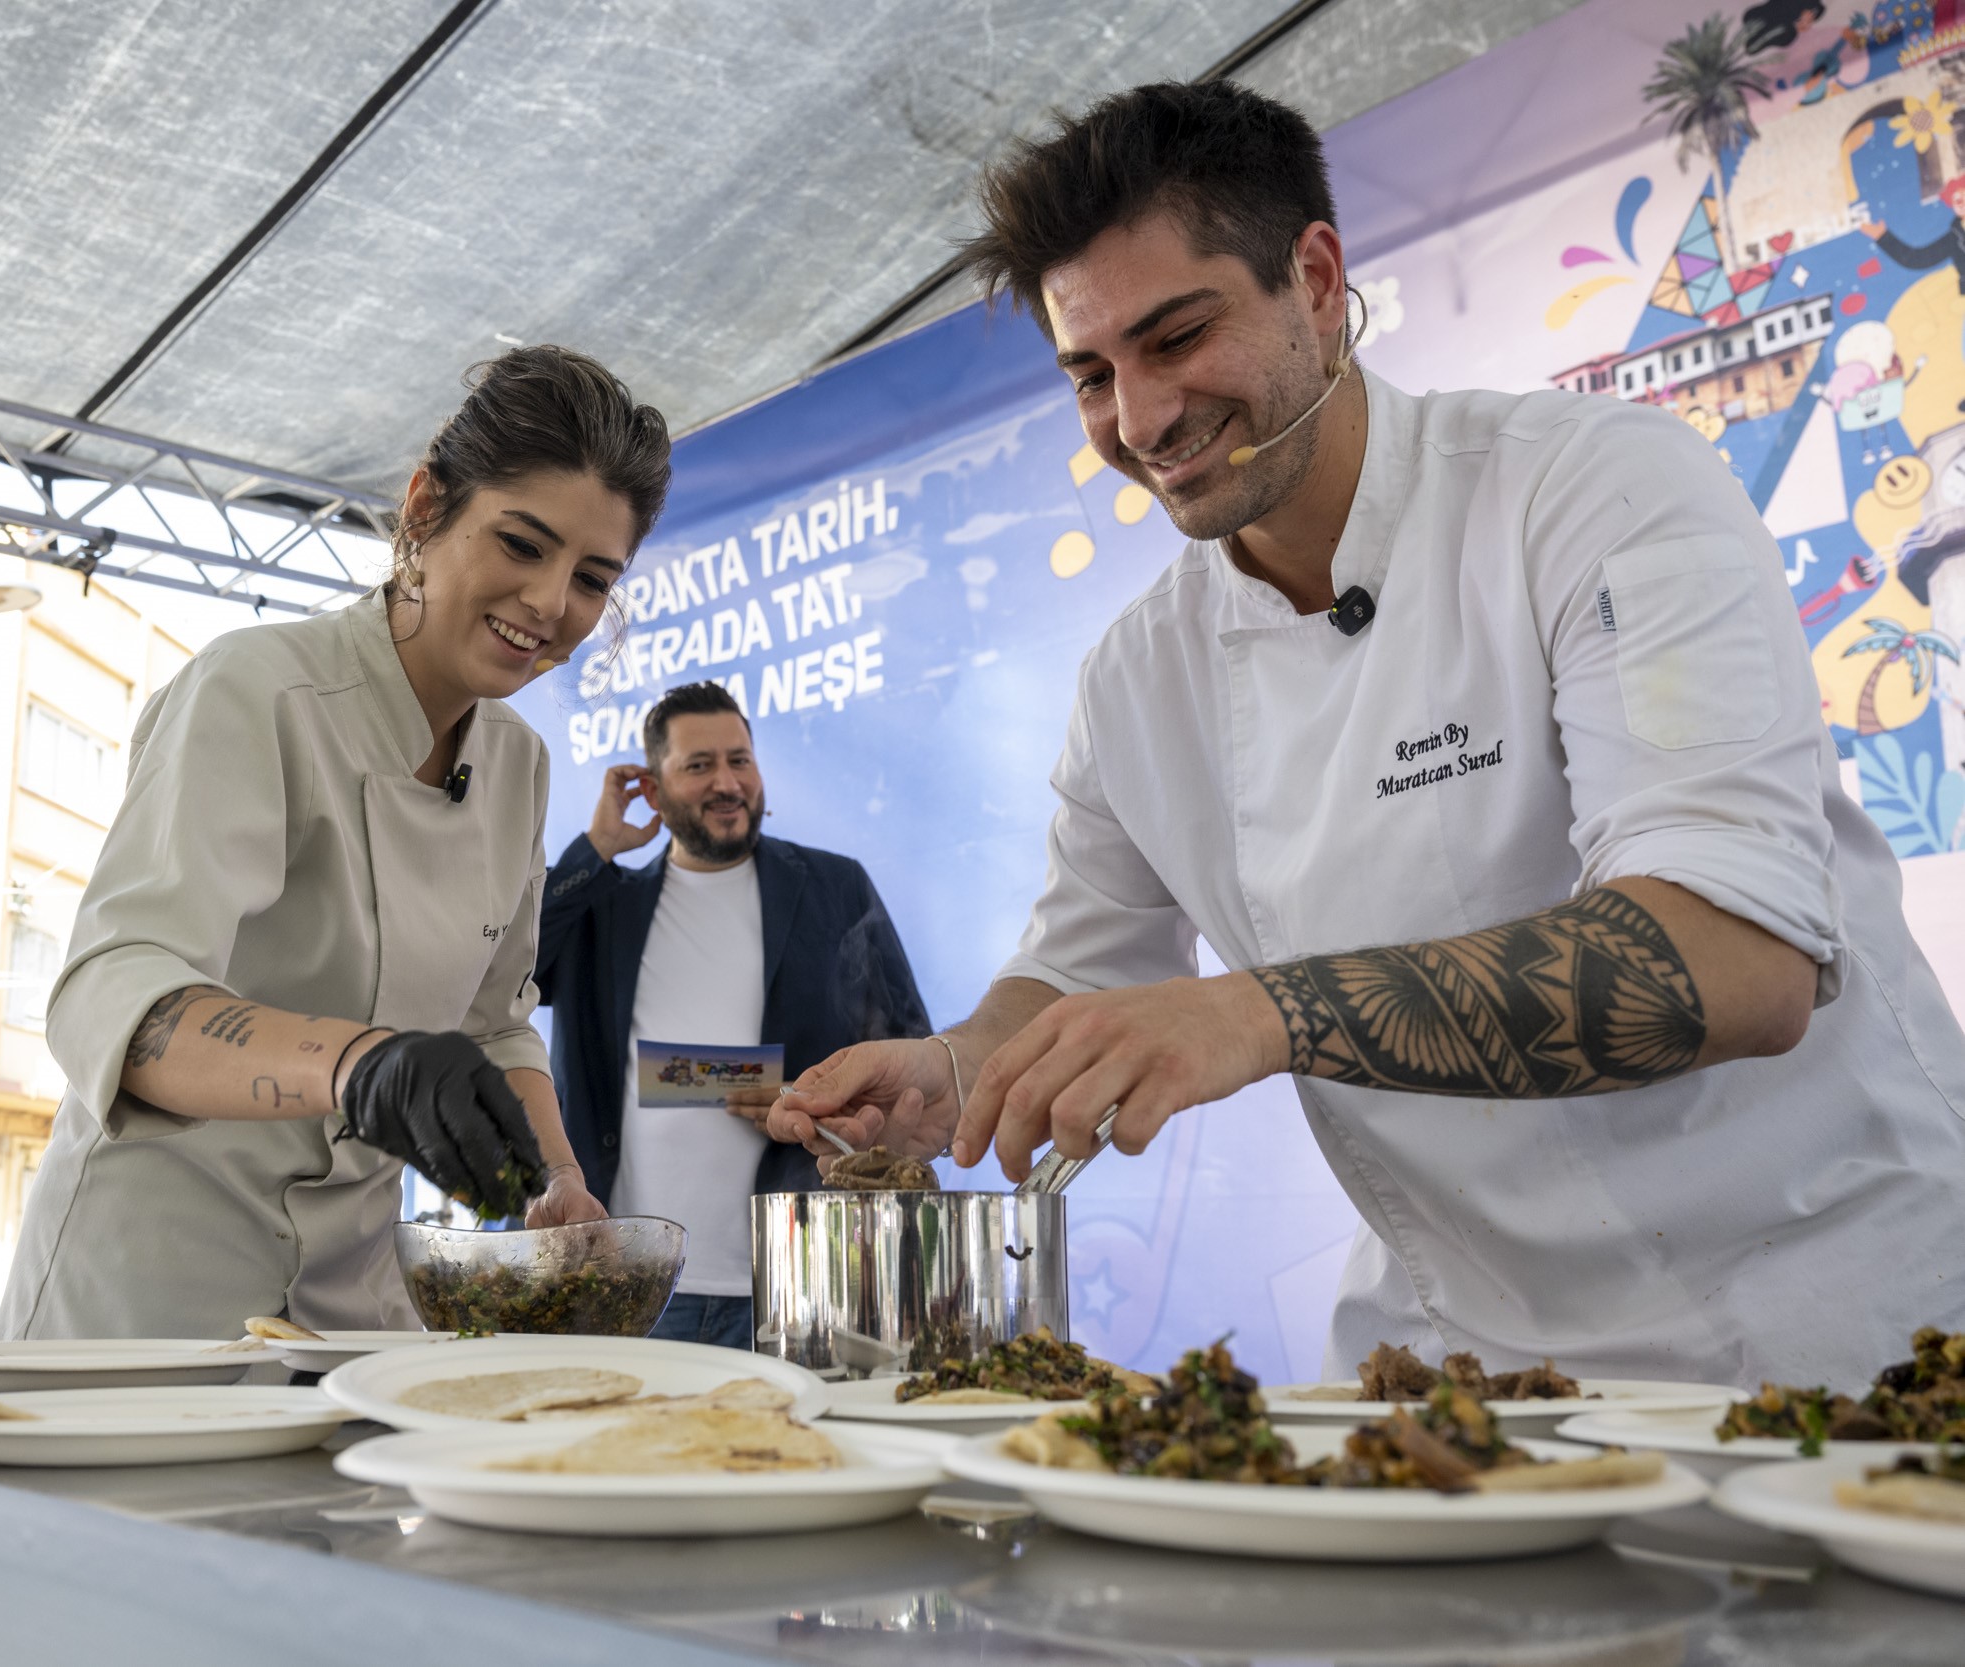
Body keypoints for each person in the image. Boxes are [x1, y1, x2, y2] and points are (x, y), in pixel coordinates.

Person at [774, 80, 1965, 1389]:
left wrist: (1262, 1012)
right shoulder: (1138, 678)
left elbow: (1735, 959)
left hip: (1832, 1324)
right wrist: (958, 1068)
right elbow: (1075, 974)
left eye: (1179, 335)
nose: (1141, 418)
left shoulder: (1592, 489)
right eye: (1092, 374)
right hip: (1471, 1359)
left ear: (1316, 278)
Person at [0, 347, 672, 1340]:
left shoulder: (517, 763)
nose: (548, 601)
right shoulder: (259, 689)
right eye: (521, 543)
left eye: (590, 578)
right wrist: (359, 1064)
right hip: (147, 1296)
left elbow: (494, 1025)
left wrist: (556, 1181)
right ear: (424, 508)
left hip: (352, 1310)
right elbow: (116, 998)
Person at [535, 681, 930, 1347]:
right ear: (652, 789)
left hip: (800, 1280)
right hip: (628, 1283)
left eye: (739, 760)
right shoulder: (604, 904)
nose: (727, 782)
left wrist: (809, 1095)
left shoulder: (835, 887)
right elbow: (506, 971)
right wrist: (596, 846)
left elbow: (909, 1050)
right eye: (699, 765)